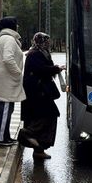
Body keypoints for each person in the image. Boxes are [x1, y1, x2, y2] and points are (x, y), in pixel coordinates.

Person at [19, 32, 64, 160]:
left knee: (45, 116)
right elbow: (41, 70)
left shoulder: (40, 52)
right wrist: (56, 69)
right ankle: (27, 134)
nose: (48, 43)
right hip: (38, 93)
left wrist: (55, 68)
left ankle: (39, 149)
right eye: (46, 41)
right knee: (46, 116)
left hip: (41, 92)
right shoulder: (35, 54)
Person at [0, 17, 25, 147]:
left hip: (1, 76)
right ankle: (0, 138)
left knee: (6, 108)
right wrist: (18, 72)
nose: (18, 27)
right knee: (5, 108)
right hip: (6, 77)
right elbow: (8, 58)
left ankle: (5, 135)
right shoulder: (9, 39)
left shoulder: (0, 38)